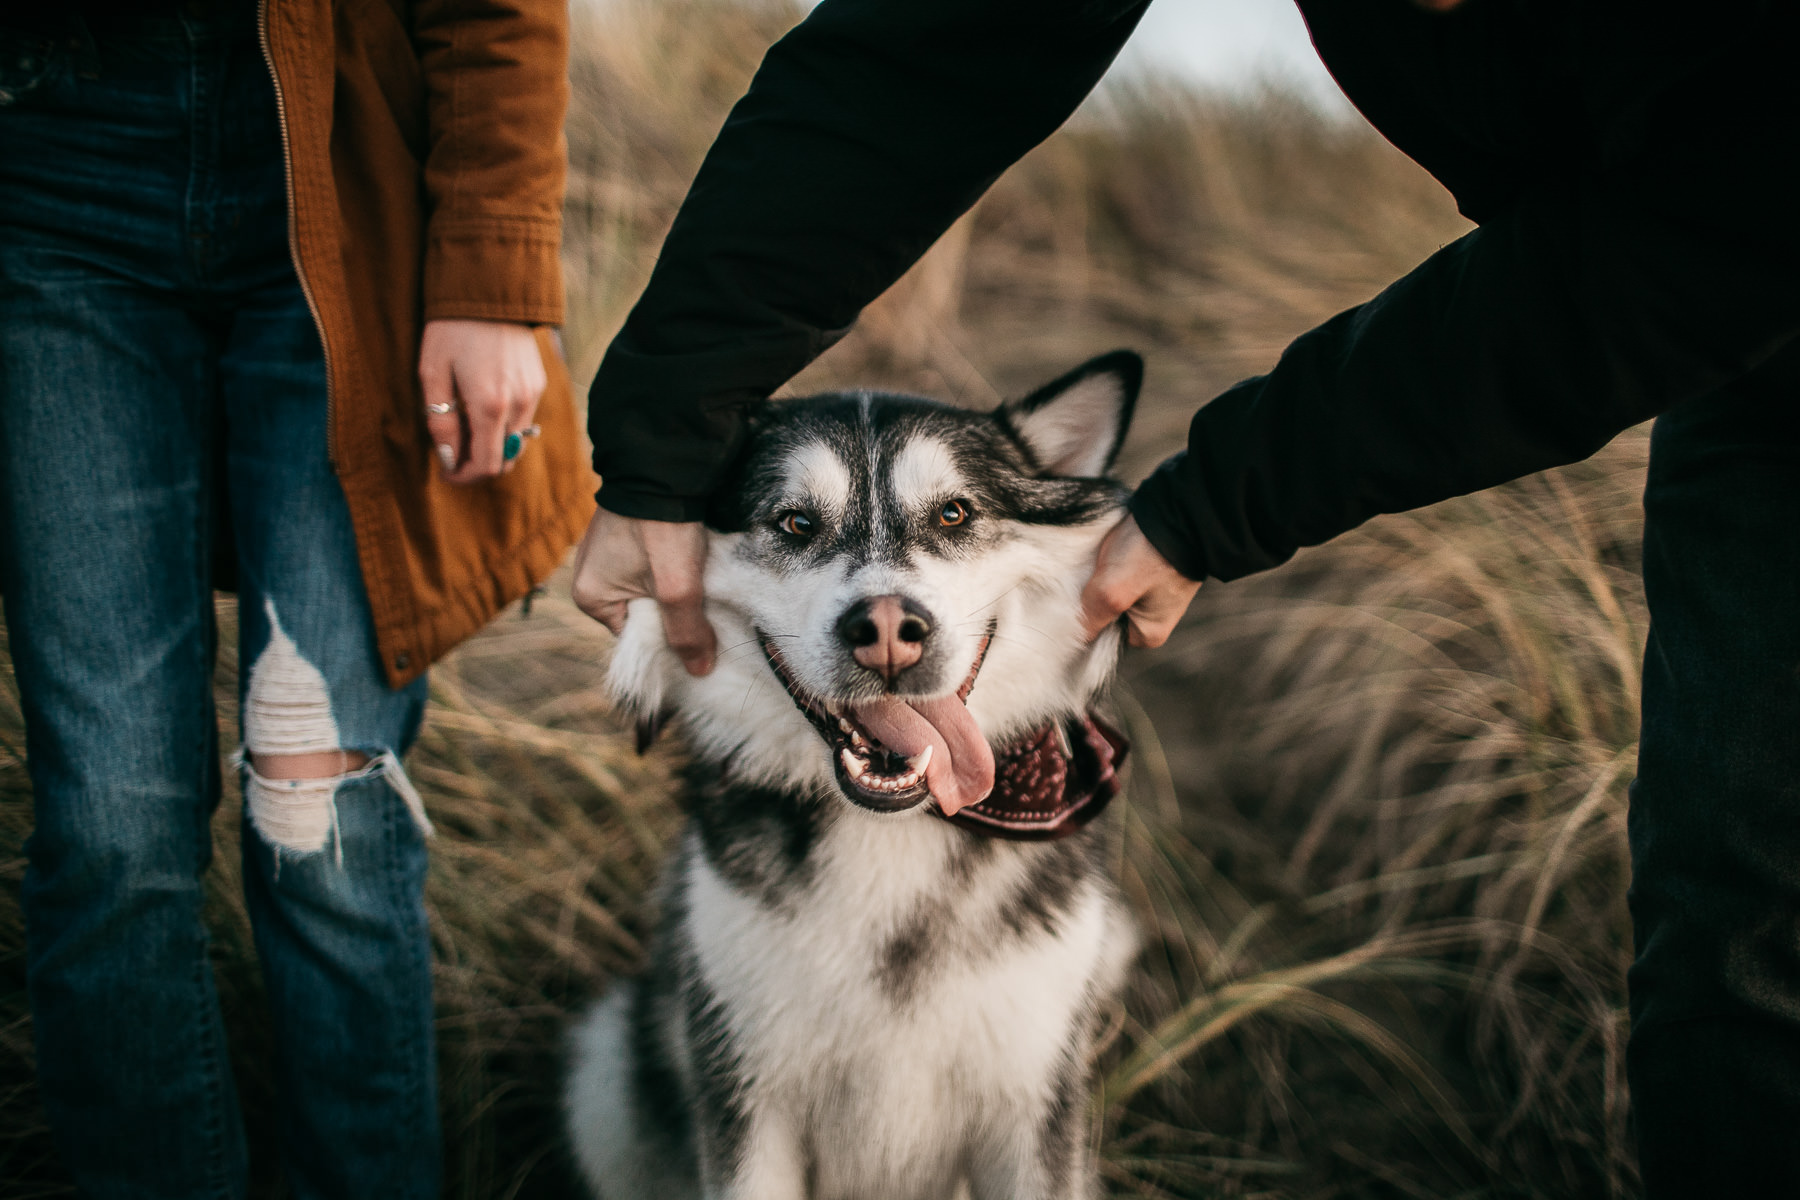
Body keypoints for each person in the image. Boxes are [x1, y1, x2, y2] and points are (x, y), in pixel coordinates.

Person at [568, 0, 1800, 1195]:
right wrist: (663, 433)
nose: (884, 603)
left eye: (953, 524)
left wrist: (1222, 499)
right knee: (1729, 928)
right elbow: (925, 54)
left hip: (1733, 256)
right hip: (1728, 337)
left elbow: (1698, 232)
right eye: (798, 530)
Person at [0, 1, 590, 1195]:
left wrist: (488, 266)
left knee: (321, 814)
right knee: (108, 836)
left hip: (339, 175)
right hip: (48, 173)